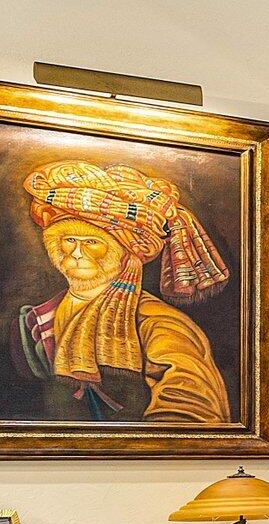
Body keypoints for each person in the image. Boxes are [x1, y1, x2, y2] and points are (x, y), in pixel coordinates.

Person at [16, 159, 233, 423]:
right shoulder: (38, 320)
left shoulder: (159, 322)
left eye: (92, 242)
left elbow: (191, 410)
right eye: (69, 240)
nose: (76, 253)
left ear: (126, 253)